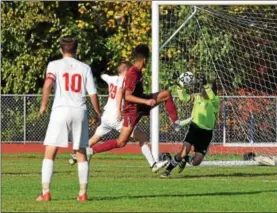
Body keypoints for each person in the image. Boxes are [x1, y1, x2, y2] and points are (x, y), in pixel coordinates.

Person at [86, 44, 179, 171]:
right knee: (121, 142)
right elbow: (127, 96)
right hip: (132, 110)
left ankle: (176, 123)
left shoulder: (137, 71)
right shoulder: (133, 73)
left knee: (166, 95)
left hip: (140, 104)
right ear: (145, 59)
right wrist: (146, 102)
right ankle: (91, 151)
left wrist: (144, 100)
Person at [69, 61, 168, 172]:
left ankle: (76, 154)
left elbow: (103, 76)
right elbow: (120, 92)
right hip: (117, 117)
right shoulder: (125, 80)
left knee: (94, 138)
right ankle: (153, 164)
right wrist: (118, 111)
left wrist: (96, 72)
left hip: (106, 116)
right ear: (126, 71)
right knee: (141, 137)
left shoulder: (111, 78)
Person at [36, 36, 101, 202]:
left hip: (60, 110)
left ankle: (45, 192)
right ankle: (83, 193)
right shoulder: (84, 67)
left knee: (51, 150)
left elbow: (48, 85)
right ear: (76, 50)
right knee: (80, 152)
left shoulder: (54, 65)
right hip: (79, 110)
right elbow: (92, 93)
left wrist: (43, 104)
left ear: (61, 50)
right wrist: (97, 112)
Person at [161, 74, 220, 177]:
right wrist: (179, 86)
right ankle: (167, 170)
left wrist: (206, 84)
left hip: (206, 134)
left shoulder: (215, 101)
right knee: (183, 152)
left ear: (213, 91)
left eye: (207, 89)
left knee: (196, 162)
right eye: (204, 88)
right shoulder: (197, 97)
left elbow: (211, 96)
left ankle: (185, 159)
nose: (204, 90)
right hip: (194, 129)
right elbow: (184, 97)